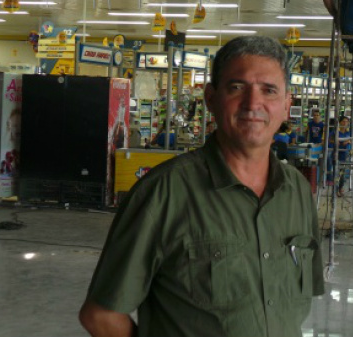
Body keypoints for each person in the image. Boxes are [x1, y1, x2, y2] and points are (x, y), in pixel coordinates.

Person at [79, 35, 325, 337]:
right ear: (211, 98)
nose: (253, 104)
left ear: (287, 105)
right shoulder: (163, 194)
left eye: (269, 91)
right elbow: (101, 316)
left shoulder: (297, 191)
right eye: (237, 87)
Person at [327, 116, 352, 197]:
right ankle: (336, 189)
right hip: (336, 154)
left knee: (342, 174)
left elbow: (351, 140)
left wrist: (348, 141)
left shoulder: (348, 133)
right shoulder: (335, 132)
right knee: (335, 173)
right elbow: (330, 141)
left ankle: (340, 188)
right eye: (343, 121)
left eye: (346, 122)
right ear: (340, 122)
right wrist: (338, 142)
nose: (345, 123)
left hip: (344, 155)